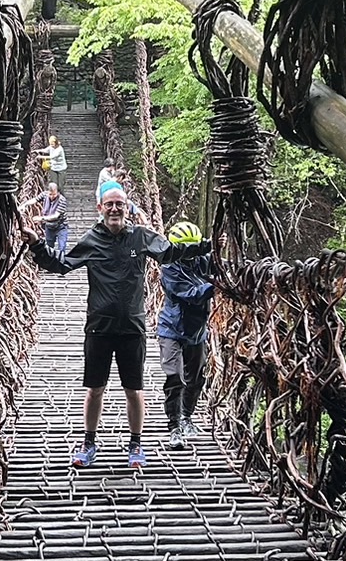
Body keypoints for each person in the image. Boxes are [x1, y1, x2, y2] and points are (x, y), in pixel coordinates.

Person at [27, 181, 210, 469]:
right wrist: (36, 245)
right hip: (99, 327)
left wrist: (208, 247)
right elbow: (61, 265)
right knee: (95, 388)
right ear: (99, 208)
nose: (114, 208)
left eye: (119, 204)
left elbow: (170, 253)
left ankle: (135, 445)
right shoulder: (92, 239)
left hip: (132, 328)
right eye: (109, 204)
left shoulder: (140, 237)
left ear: (127, 208)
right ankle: (88, 443)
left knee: (134, 390)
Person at [157, 222, 214, 450]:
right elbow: (191, 294)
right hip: (172, 329)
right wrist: (215, 286)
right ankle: (174, 427)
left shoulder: (201, 260)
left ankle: (187, 417)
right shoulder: (169, 268)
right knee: (175, 377)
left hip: (197, 331)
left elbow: (225, 265)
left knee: (196, 377)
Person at [20, 180, 69, 255]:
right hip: (49, 226)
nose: (52, 196)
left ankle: (61, 263)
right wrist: (25, 204)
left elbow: (56, 216)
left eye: (54, 194)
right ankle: (50, 264)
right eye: (50, 194)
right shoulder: (45, 195)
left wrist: (41, 218)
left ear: (58, 193)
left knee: (62, 247)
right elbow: (35, 199)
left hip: (61, 226)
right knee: (49, 246)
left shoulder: (62, 200)